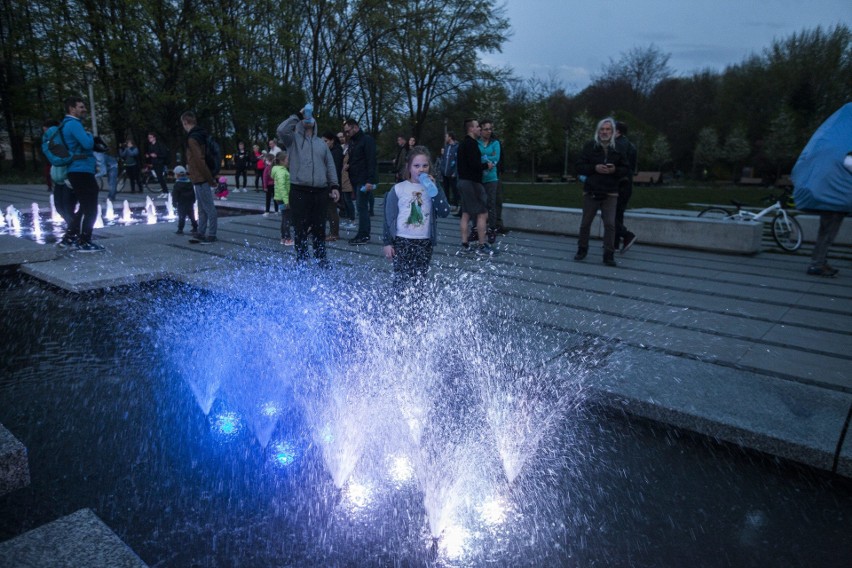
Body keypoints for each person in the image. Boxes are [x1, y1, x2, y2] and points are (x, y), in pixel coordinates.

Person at [276, 106, 340, 265]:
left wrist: (334, 186)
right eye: (305, 118)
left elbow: (330, 165)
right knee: (300, 229)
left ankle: (321, 260)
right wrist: (298, 114)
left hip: (320, 191)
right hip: (299, 191)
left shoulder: (321, 144)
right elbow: (281, 130)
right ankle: (302, 261)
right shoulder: (293, 140)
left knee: (319, 229)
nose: (308, 119)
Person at [383, 146, 450, 283]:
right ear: (409, 167)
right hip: (402, 241)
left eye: (425, 165)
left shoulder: (433, 188)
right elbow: (388, 218)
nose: (421, 169)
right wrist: (387, 242)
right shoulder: (398, 189)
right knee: (401, 279)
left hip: (424, 242)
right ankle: (399, 303)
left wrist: (435, 189)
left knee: (419, 279)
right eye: (416, 166)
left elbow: (444, 212)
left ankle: (417, 304)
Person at [574, 117, 630, 267]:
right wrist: (594, 168)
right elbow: (579, 166)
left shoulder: (618, 148)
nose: (604, 132)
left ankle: (609, 254)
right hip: (592, 190)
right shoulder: (590, 146)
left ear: (612, 132)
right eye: (602, 129)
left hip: (610, 191)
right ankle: (582, 249)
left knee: (610, 224)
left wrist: (614, 170)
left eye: (608, 129)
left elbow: (626, 169)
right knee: (585, 223)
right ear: (598, 131)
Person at [62, 96, 105, 252]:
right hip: (81, 170)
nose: (84, 109)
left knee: (84, 207)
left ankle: (69, 238)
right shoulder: (74, 124)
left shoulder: (67, 124)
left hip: (78, 170)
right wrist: (89, 135)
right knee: (91, 208)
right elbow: (87, 144)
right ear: (72, 108)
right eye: (81, 107)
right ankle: (84, 241)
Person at [456, 118, 496, 256]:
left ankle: (465, 244)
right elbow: (474, 165)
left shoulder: (462, 144)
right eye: (477, 127)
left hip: (462, 182)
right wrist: (487, 165)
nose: (480, 129)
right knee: (482, 213)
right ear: (471, 129)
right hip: (471, 183)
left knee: (466, 214)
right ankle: (481, 245)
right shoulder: (472, 144)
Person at [181, 111, 217, 244]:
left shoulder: (192, 138)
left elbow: (199, 160)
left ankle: (212, 234)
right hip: (199, 177)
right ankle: (201, 232)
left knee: (208, 208)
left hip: (201, 177)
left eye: (183, 124)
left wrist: (209, 179)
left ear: (186, 123)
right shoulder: (200, 135)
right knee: (201, 207)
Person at [344, 118, 377, 245]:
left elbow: (371, 160)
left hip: (363, 180)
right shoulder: (354, 141)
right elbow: (356, 159)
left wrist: (369, 180)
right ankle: (363, 233)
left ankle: (363, 235)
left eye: (348, 131)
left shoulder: (366, 140)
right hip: (356, 178)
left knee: (362, 207)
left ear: (355, 127)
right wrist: (349, 165)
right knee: (361, 207)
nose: (347, 134)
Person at [41, 119, 76, 233]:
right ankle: (73, 228)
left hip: (67, 180)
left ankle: (76, 231)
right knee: (59, 208)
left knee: (67, 208)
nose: (45, 134)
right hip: (58, 181)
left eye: (47, 131)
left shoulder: (64, 142)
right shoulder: (51, 144)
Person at [615, 121, 638, 252]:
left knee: (609, 214)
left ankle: (626, 235)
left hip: (619, 183)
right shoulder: (631, 146)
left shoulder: (618, 145)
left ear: (617, 132)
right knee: (618, 213)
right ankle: (615, 243)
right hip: (627, 184)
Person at [478, 120, 501, 244]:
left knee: (491, 204)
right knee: (479, 205)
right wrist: (487, 160)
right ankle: (478, 229)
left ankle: (492, 230)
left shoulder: (495, 143)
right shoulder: (477, 143)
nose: (488, 131)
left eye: (490, 129)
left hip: (491, 178)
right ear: (480, 130)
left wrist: (484, 158)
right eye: (485, 129)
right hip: (479, 178)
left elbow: (496, 158)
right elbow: (476, 157)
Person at [323, 131, 345, 242]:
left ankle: (334, 233)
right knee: (329, 209)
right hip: (330, 183)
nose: (324, 143)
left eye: (326, 141)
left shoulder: (335, 152)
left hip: (332, 184)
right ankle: (332, 232)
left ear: (332, 140)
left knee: (331, 209)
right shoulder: (332, 151)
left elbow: (334, 170)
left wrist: (333, 187)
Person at [271, 152, 293, 246]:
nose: (289, 161)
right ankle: (287, 239)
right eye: (287, 159)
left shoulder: (277, 169)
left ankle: (283, 238)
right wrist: (286, 200)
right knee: (287, 218)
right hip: (283, 198)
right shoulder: (281, 171)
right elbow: (282, 187)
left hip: (279, 197)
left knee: (284, 218)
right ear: (282, 161)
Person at [171, 165, 198, 235]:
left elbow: (175, 194)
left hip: (181, 203)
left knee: (181, 216)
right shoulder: (189, 182)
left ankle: (180, 229)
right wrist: (194, 200)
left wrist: (174, 202)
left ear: (177, 175)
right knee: (192, 216)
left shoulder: (177, 184)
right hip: (189, 202)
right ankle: (195, 227)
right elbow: (193, 192)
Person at [441, 131, 459, 209]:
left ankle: (455, 204)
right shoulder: (446, 147)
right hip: (445, 172)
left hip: (452, 172)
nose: (445, 138)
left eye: (446, 136)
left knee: (454, 188)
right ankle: (447, 204)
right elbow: (444, 159)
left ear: (450, 137)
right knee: (446, 188)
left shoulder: (457, 147)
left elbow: (458, 160)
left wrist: (455, 171)